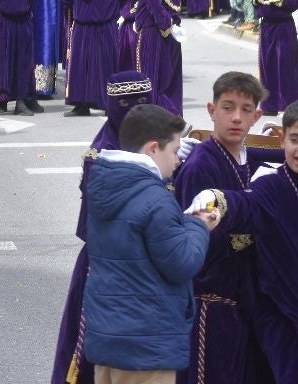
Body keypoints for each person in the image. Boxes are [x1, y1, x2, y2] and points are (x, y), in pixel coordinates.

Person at [188, 100, 298, 382]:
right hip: (281, 318)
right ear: (282, 139)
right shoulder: (270, 184)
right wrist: (217, 199)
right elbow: (245, 204)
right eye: (295, 139)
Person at [83, 104, 218, 384]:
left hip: (107, 337)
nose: (178, 160)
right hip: (146, 346)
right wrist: (198, 225)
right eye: (175, 151)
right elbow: (182, 263)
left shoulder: (104, 186)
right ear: (153, 148)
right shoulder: (156, 200)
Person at [52, 72, 154, 384]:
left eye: (142, 103)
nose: (135, 112)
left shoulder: (161, 143)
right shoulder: (100, 157)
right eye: (125, 104)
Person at [171, 72, 265, 384]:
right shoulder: (201, 165)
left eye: (246, 109)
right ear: (212, 110)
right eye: (228, 107)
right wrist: (255, 232)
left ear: (256, 116)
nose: (236, 117)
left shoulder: (248, 161)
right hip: (208, 303)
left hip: (240, 300)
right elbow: (199, 239)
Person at [63, 0, 128, 117]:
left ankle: (84, 104)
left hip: (88, 26)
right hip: (101, 25)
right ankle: (103, 104)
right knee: (99, 65)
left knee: (84, 66)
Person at [132, 0, 185, 117]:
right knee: (168, 80)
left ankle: (152, 117)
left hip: (153, 33)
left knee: (151, 78)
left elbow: (155, 8)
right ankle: (172, 116)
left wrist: (165, 25)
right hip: (172, 33)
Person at [254, 0, 298, 116]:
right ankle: (269, 104)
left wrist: (282, 3)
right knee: (267, 66)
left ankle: (288, 104)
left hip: (284, 27)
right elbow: (257, 2)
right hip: (267, 27)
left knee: (286, 65)